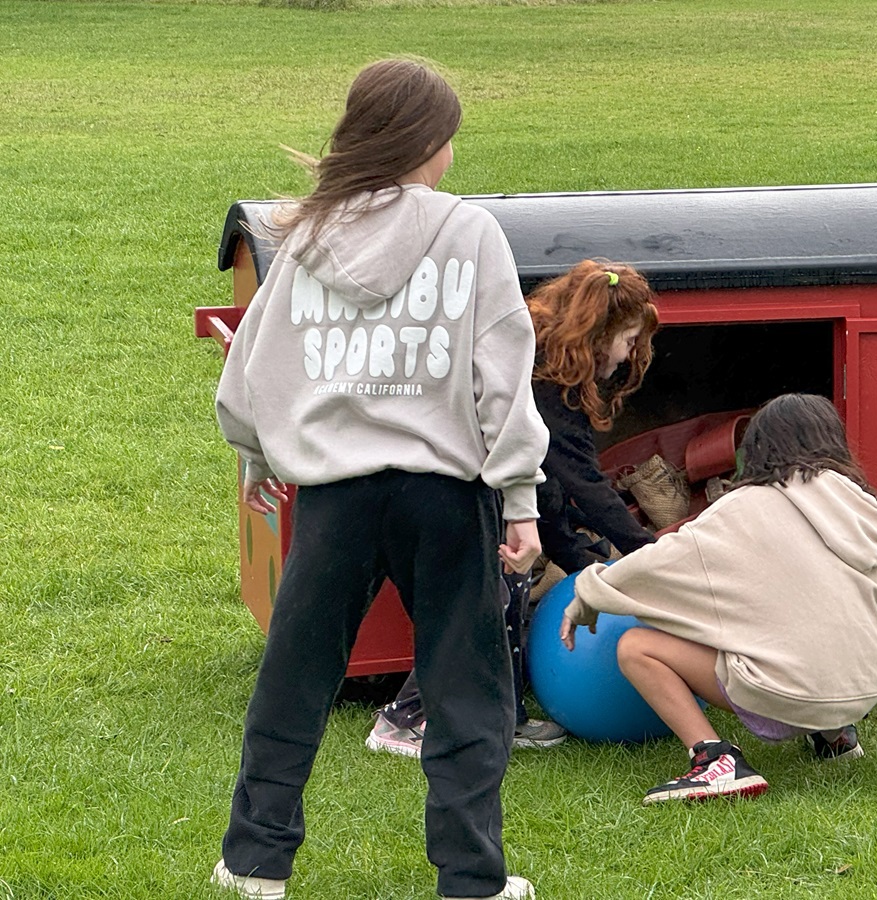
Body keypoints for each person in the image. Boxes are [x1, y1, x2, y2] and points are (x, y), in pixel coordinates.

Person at [210, 59, 546, 900]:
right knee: (466, 689)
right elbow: (503, 375)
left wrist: (256, 455)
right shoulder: (471, 233)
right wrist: (520, 496)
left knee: (295, 679)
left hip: (335, 496)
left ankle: (255, 865)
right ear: (429, 141)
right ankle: (472, 880)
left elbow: (253, 367)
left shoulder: (303, 236)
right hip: (447, 495)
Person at [560, 393, 877, 805]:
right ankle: (834, 738)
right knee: (807, 614)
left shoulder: (743, 508)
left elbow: (663, 561)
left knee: (637, 646)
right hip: (859, 697)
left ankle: (716, 760)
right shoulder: (866, 515)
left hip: (782, 700)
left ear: (757, 448)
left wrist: (590, 592)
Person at [367, 259, 661, 758]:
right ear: (600, 333)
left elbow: (548, 490)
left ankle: (506, 717)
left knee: (508, 602)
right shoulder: (549, 386)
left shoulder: (551, 369)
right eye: (630, 339)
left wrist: (581, 560)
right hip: (447, 492)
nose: (631, 353)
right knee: (479, 609)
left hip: (490, 498)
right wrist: (652, 554)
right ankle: (404, 719)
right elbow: (584, 484)